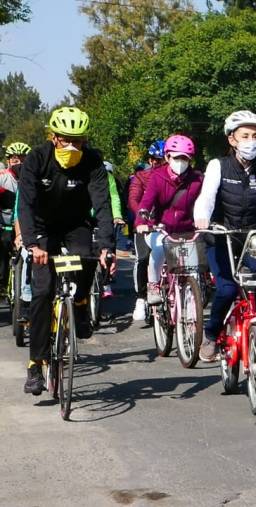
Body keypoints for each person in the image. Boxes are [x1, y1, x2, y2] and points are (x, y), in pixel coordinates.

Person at [17, 106, 116, 395]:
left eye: (79, 141)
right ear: (53, 136)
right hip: (42, 228)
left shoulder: (93, 161)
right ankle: (36, 363)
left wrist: (107, 247)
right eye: (65, 139)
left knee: (87, 260)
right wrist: (32, 243)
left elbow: (102, 204)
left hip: (76, 225)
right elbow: (26, 203)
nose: (72, 146)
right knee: (42, 292)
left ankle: (81, 304)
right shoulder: (37, 158)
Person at [193, 110, 256, 360]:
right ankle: (211, 334)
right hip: (220, 234)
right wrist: (202, 217)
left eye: (255, 136)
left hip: (251, 235)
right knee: (227, 290)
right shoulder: (218, 165)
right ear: (232, 139)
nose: (251, 141)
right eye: (245, 136)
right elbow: (207, 196)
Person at [135, 135, 203, 304]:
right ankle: (153, 285)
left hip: (187, 231)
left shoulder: (197, 180)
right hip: (161, 229)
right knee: (158, 251)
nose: (181, 162)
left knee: (194, 268)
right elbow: (146, 202)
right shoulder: (157, 177)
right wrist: (142, 222)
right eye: (177, 157)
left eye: (185, 158)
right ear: (167, 157)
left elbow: (206, 203)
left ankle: (193, 299)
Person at [128, 140, 165, 321]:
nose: (159, 164)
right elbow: (134, 199)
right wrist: (143, 218)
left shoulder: (173, 177)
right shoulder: (140, 177)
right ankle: (141, 298)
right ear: (150, 160)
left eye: (163, 160)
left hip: (166, 226)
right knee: (143, 258)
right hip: (145, 225)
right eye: (156, 160)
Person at [1, 143, 28, 296]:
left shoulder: (33, 177)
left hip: (25, 224)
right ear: (9, 161)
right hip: (5, 224)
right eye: (16, 160)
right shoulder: (3, 177)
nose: (20, 164)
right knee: (4, 243)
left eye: (23, 160)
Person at [101, 161, 126, 298]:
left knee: (109, 250)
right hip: (85, 219)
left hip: (105, 217)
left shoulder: (108, 177)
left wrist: (117, 215)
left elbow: (114, 196)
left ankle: (106, 283)